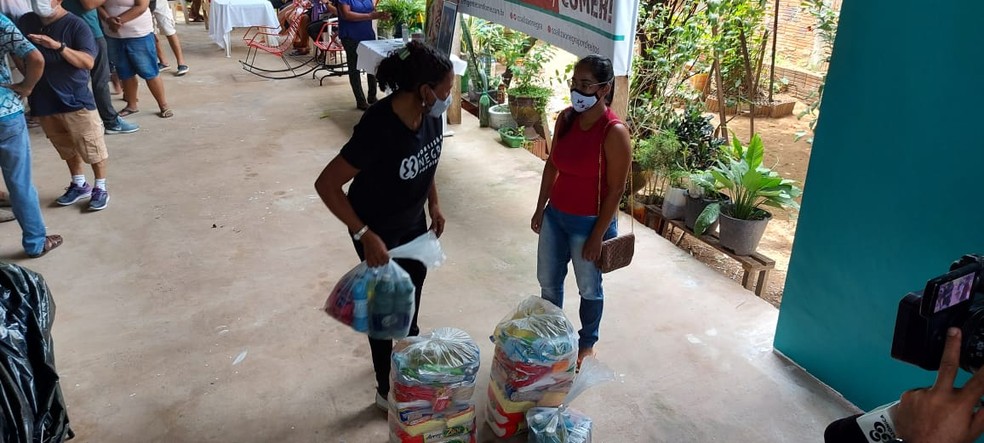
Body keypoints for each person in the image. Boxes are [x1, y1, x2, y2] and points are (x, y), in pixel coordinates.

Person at [314, 41, 452, 411]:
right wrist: (364, 234)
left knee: (410, 293)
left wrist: (434, 202)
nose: (448, 99)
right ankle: (384, 390)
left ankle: (407, 347)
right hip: (376, 231)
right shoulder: (378, 127)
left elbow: (428, 159)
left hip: (415, 224)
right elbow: (326, 185)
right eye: (445, 92)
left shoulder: (430, 114)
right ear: (425, 92)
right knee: (384, 311)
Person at [530, 55, 632, 367]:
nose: (578, 90)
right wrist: (540, 208)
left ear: (604, 89)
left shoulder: (614, 132)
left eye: (586, 84)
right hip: (556, 217)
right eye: (575, 83)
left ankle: (587, 343)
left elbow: (616, 190)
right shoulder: (565, 119)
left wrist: (597, 237)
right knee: (548, 281)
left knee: (588, 286)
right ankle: (553, 334)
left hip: (589, 223)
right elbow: (552, 166)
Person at [18, 0, 113, 211]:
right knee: (64, 145)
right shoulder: (26, 21)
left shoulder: (76, 25)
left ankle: (100, 187)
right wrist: (29, 80)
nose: (38, 2)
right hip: (44, 99)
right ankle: (79, 183)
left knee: (92, 145)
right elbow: (18, 52)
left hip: (75, 99)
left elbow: (88, 62)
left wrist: (58, 47)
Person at [0, 13, 63, 256]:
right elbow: (36, 58)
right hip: (5, 113)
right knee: (20, 182)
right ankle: (36, 242)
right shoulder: (1, 23)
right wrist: (27, 87)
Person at [62, 0, 141, 134]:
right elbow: (89, 4)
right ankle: (110, 122)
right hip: (88, 31)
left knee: (74, 79)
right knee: (100, 80)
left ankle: (72, 121)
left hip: (70, 30)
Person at [99, 0, 173, 118]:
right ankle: (131, 105)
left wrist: (118, 21)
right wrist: (108, 19)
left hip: (139, 33)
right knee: (124, 72)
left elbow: (142, 6)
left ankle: (163, 105)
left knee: (149, 71)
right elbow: (97, 5)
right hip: (113, 35)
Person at [336, 0, 388, 110]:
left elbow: (372, 9)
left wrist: (382, 14)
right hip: (350, 36)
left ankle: (372, 96)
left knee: (371, 67)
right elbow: (346, 14)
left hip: (367, 35)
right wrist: (370, 16)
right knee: (354, 69)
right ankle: (360, 100)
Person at [150, 0, 189, 75]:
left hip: (159, 2)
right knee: (150, 31)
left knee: (168, 29)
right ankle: (163, 62)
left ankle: (181, 62)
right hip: (140, 4)